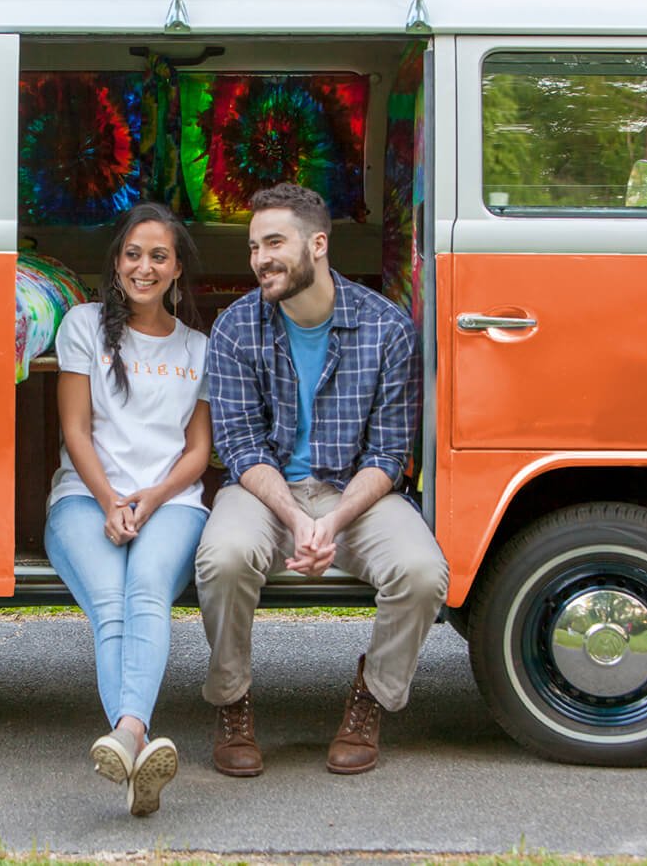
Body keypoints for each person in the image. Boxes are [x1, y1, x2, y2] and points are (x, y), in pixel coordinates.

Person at [196, 183, 449, 777]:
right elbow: (239, 447)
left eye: (275, 242)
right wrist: (296, 519)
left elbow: (387, 455)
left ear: (318, 244)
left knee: (421, 573)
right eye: (255, 246)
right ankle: (233, 700)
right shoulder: (236, 328)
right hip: (264, 490)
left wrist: (329, 522)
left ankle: (371, 698)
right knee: (224, 557)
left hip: (353, 492)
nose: (261, 258)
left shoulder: (385, 328)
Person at [43, 201, 211, 816]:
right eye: (133, 254)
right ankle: (136, 737)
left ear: (176, 270)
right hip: (85, 500)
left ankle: (128, 735)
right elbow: (76, 431)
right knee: (111, 602)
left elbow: (198, 452)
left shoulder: (197, 346)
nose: (144, 266)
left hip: (172, 503)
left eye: (158, 256)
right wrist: (112, 499)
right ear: (116, 262)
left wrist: (153, 496)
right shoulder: (83, 326)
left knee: (145, 590)